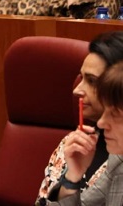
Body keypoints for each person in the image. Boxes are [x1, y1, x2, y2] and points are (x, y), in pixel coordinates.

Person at [37, 31, 123, 204]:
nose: (76, 90)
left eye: (92, 81)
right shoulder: (76, 145)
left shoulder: (117, 157)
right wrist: (72, 179)